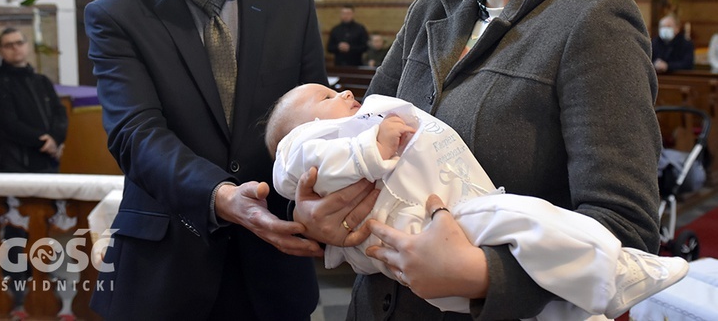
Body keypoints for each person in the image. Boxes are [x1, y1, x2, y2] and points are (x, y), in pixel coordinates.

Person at [291, 0, 664, 319]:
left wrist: (485, 274)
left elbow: (625, 231)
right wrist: (316, 209)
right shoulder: (431, 11)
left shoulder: (592, 21)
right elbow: (356, 131)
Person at [83, 0, 328, 320]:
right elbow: (136, 135)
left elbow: (312, 132)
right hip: (166, 269)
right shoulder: (117, 16)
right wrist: (220, 196)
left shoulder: (292, 10)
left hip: (274, 269)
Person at [268, 84, 688, 320]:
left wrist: (481, 273)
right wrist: (315, 217)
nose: (342, 90)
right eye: (326, 96)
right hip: (427, 233)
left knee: (527, 224)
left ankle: (605, 283)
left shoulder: (595, 19)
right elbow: (307, 168)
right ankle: (610, 273)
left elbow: (626, 214)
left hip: (450, 227)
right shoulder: (304, 143)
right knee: (524, 216)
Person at [0, 27, 67, 173]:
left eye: (19, 42)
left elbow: (59, 112)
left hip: (49, 159)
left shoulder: (42, 81)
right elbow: (9, 124)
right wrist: (47, 143)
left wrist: (56, 138)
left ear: (27, 45)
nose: (15, 48)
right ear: (1, 51)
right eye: (9, 45)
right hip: (20, 163)